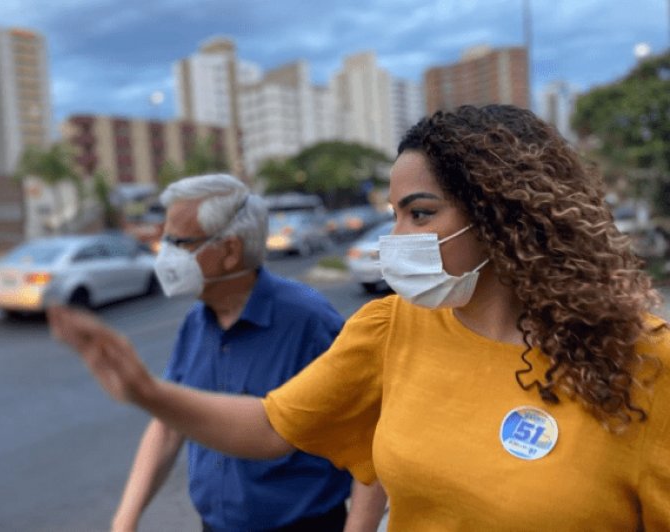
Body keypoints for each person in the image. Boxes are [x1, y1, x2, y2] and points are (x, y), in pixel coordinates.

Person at [50, 105, 669, 531]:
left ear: (504, 218)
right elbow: (270, 427)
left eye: (420, 214)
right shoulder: (390, 327)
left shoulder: (646, 366)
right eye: (393, 212)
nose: (393, 238)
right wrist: (145, 391)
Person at [96, 174, 385, 532]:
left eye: (178, 241)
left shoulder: (308, 321)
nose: (163, 252)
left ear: (230, 251)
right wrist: (126, 519)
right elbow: (170, 425)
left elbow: (370, 440)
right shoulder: (196, 323)